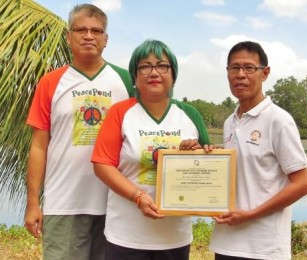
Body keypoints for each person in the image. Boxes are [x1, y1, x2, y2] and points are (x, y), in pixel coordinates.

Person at [24, 4, 135, 260]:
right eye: (81, 29)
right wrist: (32, 203)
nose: (88, 35)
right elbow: (39, 146)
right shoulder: (50, 82)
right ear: (68, 36)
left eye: (96, 31)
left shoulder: (126, 81)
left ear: (105, 39)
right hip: (64, 203)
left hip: (115, 203)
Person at [91, 39, 211, 260]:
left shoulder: (190, 114)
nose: (154, 72)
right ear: (135, 77)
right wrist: (138, 197)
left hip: (174, 236)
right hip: (126, 234)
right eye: (145, 66)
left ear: (173, 75)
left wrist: (194, 153)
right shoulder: (120, 112)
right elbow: (102, 165)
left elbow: (210, 164)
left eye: (162, 66)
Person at [209, 41, 307, 260]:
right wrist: (209, 157)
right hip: (226, 243)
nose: (240, 74)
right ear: (227, 73)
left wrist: (250, 215)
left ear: (264, 73)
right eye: (234, 68)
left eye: (249, 68)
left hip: (264, 249)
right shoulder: (230, 122)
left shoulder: (279, 120)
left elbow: (302, 184)